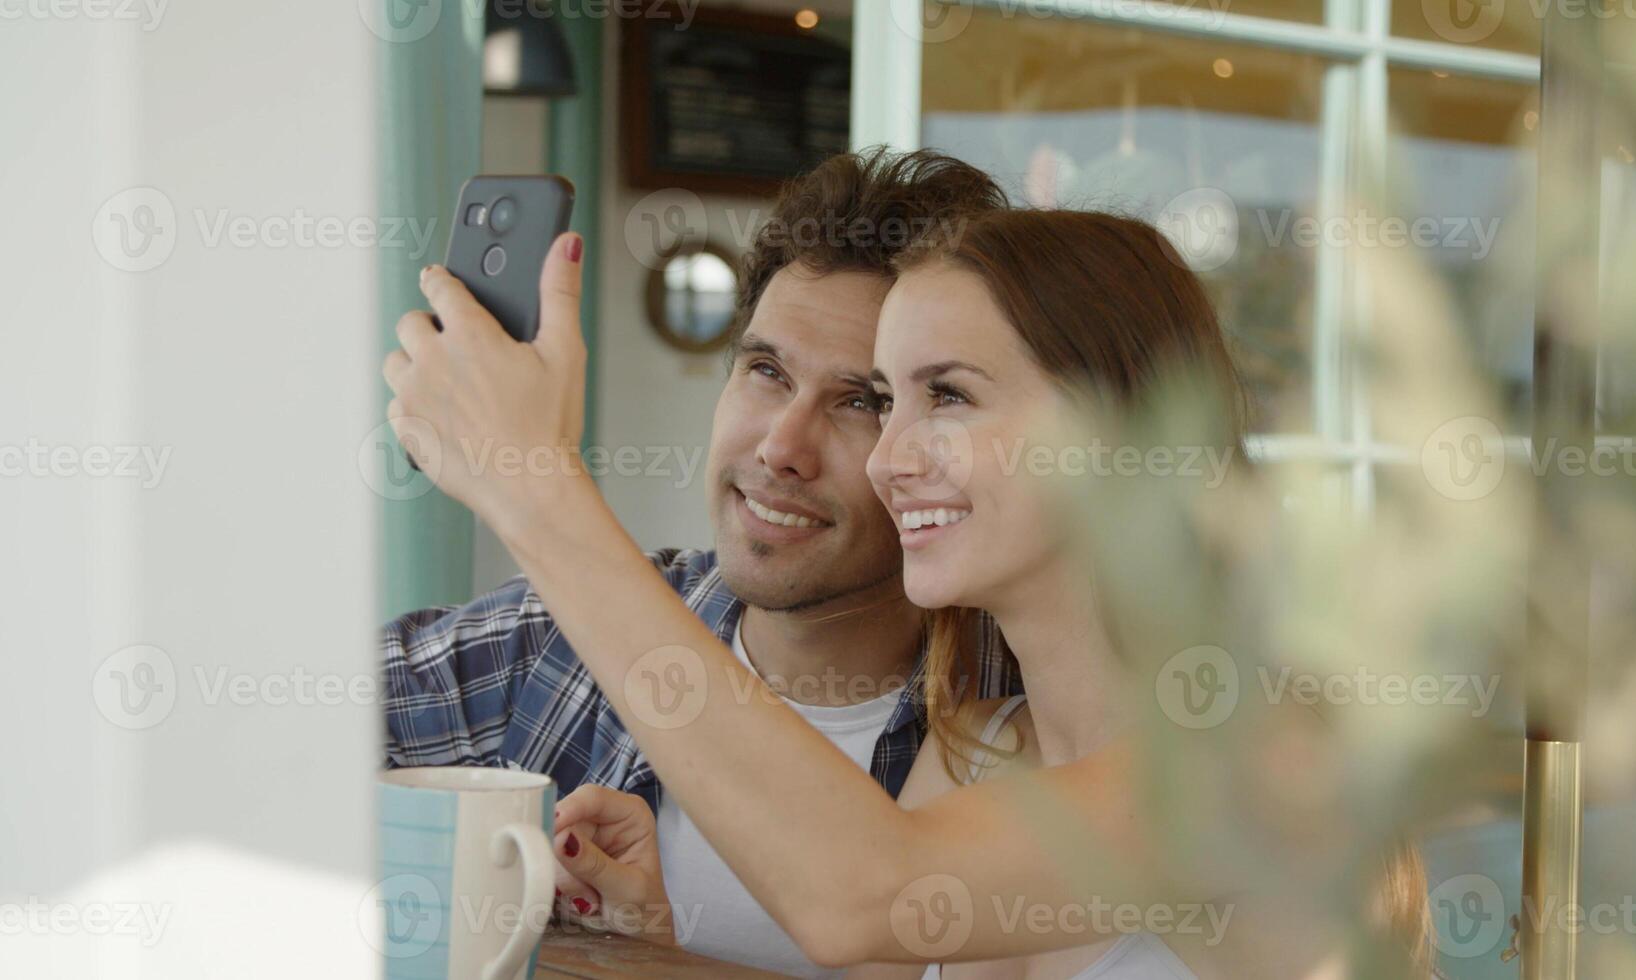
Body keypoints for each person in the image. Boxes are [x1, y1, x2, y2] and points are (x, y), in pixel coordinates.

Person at [383, 208, 1433, 976]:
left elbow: (862, 896)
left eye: (944, 395)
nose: (886, 459)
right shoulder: (979, 746)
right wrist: (652, 941)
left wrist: (532, 487)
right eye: (888, 403)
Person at [378, 148, 1016, 978]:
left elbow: (866, 902)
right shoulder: (551, 643)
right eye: (764, 370)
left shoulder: (1023, 707)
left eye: (863, 402)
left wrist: (528, 481)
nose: (782, 447)